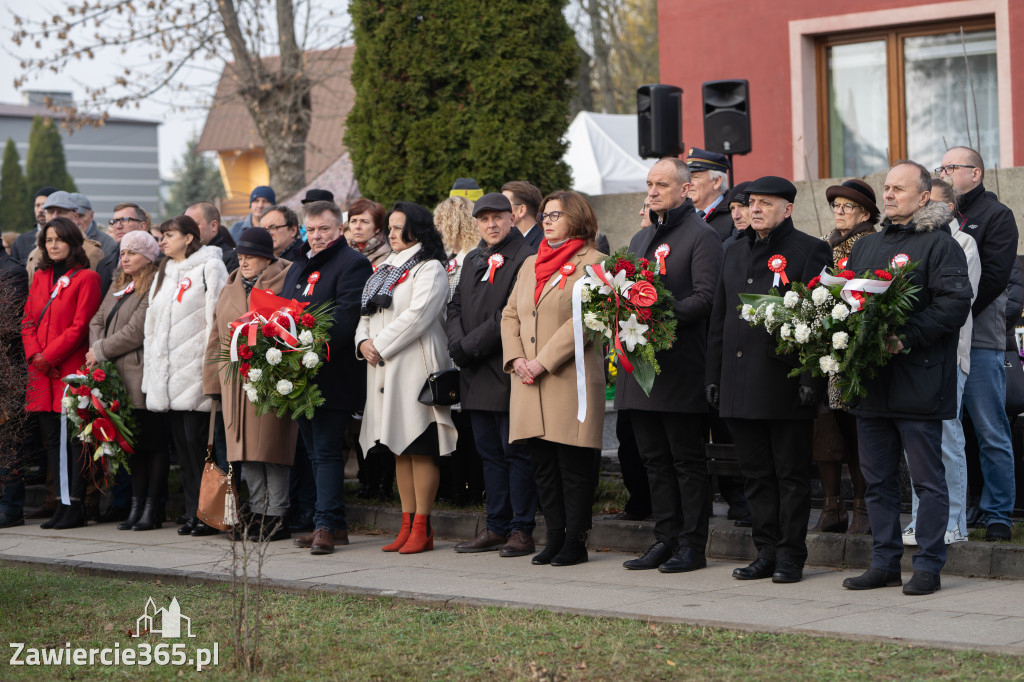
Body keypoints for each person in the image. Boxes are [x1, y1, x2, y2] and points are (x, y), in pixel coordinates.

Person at [842, 161, 971, 596]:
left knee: (927, 480)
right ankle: (884, 563)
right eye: (887, 187)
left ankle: (930, 565)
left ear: (923, 197)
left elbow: (954, 305)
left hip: (921, 380)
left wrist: (907, 335)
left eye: (900, 188)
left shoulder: (940, 245)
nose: (890, 194)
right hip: (873, 382)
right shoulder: (866, 246)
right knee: (876, 479)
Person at [706, 176, 832, 584]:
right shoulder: (734, 250)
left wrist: (811, 379)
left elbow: (819, 319)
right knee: (755, 475)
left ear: (788, 209)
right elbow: (720, 318)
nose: (755, 208)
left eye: (765, 203)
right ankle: (765, 551)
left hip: (783, 383)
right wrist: (714, 375)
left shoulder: (809, 249)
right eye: (751, 202)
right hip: (739, 383)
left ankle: (791, 555)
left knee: (790, 476)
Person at [618, 158, 723, 574]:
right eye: (650, 183)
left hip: (680, 368)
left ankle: (692, 545)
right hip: (643, 370)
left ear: (686, 189)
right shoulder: (641, 237)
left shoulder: (703, 236)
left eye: (663, 183)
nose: (654, 190)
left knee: (685, 462)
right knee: (654, 462)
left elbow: (706, 297)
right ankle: (664, 539)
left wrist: (655, 315)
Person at [501, 190, 606, 567]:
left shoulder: (595, 263)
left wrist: (541, 362)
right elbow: (510, 314)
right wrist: (517, 358)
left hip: (566, 378)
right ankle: (554, 537)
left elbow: (586, 323)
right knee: (543, 466)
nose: (546, 220)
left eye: (555, 215)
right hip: (528, 378)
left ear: (576, 218)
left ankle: (576, 541)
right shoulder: (530, 263)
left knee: (573, 467)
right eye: (544, 215)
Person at [357, 202, 458, 555]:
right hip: (384, 369)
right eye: (391, 227)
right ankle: (405, 524)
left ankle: (423, 527)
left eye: (401, 227)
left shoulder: (430, 268)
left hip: (417, 369)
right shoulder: (383, 270)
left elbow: (419, 317)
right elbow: (366, 315)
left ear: (418, 229)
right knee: (399, 448)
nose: (393, 234)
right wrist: (363, 342)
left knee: (420, 447)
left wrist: (379, 345)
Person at [448, 193, 538, 556]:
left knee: (515, 452)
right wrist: (457, 344)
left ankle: (521, 529)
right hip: (473, 371)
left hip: (506, 367)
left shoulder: (525, 257)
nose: (491, 224)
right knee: (488, 454)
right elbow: (454, 306)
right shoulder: (472, 259)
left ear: (512, 218)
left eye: (497, 217)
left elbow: (508, 312)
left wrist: (468, 347)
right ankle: (496, 526)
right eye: (484, 219)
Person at [938, 146, 1019, 542]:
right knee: (953, 431)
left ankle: (999, 511)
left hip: (982, 337)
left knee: (990, 428)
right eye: (942, 166)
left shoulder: (996, 216)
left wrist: (956, 311)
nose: (946, 172)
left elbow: (994, 277)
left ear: (976, 172)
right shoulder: (942, 214)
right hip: (946, 339)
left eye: (953, 166)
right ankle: (965, 507)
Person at [284, 200, 372, 556]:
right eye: (312, 230)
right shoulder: (300, 264)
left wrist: (303, 342)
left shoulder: (353, 263)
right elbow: (284, 309)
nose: (317, 236)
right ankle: (334, 524)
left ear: (341, 229)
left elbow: (346, 318)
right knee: (314, 453)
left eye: (324, 229)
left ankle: (324, 525)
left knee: (327, 452)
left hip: (332, 374)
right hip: (299, 372)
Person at [203, 227, 297, 542]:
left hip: (270, 379)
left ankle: (277, 514)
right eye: (241, 256)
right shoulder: (230, 286)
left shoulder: (284, 280)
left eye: (251, 257)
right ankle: (257, 512)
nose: (243, 263)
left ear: (266, 258)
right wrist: (213, 382)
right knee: (244, 451)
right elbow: (216, 337)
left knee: (272, 450)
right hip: (234, 384)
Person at [900, 179, 980, 548]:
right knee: (918, 449)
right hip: (908, 358)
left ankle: (954, 523)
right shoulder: (906, 242)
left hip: (947, 357)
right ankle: (921, 521)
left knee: (947, 440)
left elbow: (961, 302)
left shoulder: (963, 243)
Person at [142, 215, 228, 538]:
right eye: (161, 235)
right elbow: (153, 327)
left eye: (169, 235)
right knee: (183, 449)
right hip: (168, 378)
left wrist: (212, 372)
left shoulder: (210, 267)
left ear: (190, 238)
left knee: (200, 446)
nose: (162, 241)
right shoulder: (165, 272)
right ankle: (194, 513)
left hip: (195, 374)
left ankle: (211, 514)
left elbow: (215, 322)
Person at [22, 217, 102, 529]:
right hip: (42, 373)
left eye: (59, 239)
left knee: (74, 441)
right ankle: (61, 503)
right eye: (48, 240)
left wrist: (48, 356)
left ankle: (77, 505)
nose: (53, 245)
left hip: (68, 372)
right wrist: (35, 356)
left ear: (72, 242)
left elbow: (79, 327)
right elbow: (27, 319)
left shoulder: (87, 278)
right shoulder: (40, 276)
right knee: (52, 440)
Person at [85, 231, 167, 531]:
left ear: (147, 256)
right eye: (123, 252)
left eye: (132, 252)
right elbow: (97, 319)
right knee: (132, 446)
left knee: (152, 444)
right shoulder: (120, 282)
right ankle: (135, 506)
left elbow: (136, 330)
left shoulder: (154, 285)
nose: (125, 258)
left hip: (141, 376)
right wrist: (97, 350)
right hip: (115, 375)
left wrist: (100, 350)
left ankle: (152, 508)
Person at [812, 178, 879, 535]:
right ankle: (831, 505)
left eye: (847, 207)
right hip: (822, 350)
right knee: (825, 428)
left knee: (855, 430)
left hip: (855, 351)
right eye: (836, 206)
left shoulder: (873, 242)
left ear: (865, 213)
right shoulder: (823, 244)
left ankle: (863, 509)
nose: (839, 212)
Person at [433, 195, 484, 507]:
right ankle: (458, 486)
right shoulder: (453, 259)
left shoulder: (472, 258)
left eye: (441, 223)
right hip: (452, 348)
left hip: (465, 348)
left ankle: (475, 487)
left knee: (469, 426)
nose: (438, 230)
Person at [0, 241, 30, 528]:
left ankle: (10, 508)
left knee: (8, 443)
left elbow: (9, 325)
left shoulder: (12, 272)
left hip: (6, 372)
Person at [685, 148, 736, 243]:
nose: (689, 183)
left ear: (716, 181)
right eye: (687, 177)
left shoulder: (735, 216)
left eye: (696, 177)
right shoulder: (680, 214)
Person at [185, 202, 239, 274]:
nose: (187, 230)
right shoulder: (184, 254)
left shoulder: (230, 258)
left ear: (213, 225)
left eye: (194, 225)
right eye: (185, 226)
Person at [10, 186, 57, 262]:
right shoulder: (21, 241)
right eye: (37, 205)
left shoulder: (67, 239)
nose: (40, 210)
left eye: (45, 205)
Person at [345, 198, 392, 267]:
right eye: (353, 221)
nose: (357, 226)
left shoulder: (388, 256)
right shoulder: (342, 251)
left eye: (364, 221)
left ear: (377, 228)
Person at [502, 180, 544, 249]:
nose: (499, 209)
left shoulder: (542, 245)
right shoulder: (507, 240)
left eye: (504, 204)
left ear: (521, 210)